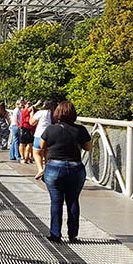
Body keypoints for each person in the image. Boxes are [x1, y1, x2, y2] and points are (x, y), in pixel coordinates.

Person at [40, 100, 92, 243]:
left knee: (56, 202)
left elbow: (41, 146)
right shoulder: (80, 130)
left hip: (54, 168)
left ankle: (55, 234)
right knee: (73, 201)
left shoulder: (51, 129)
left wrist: (41, 166)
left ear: (57, 113)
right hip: (76, 168)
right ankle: (73, 235)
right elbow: (88, 147)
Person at [31, 99, 56, 179]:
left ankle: (40, 169)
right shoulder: (55, 114)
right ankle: (48, 171)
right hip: (51, 136)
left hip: (39, 135)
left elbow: (32, 122)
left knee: (36, 153)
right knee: (47, 154)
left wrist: (32, 114)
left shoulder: (41, 113)